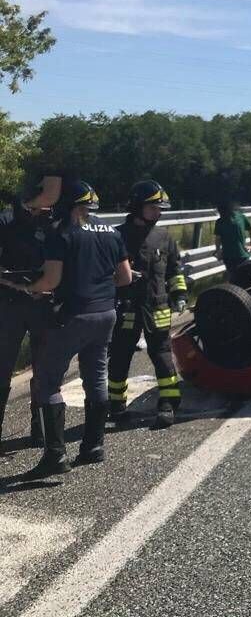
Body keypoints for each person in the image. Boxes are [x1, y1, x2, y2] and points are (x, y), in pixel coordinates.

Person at [0, 181, 131, 479]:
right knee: (97, 377)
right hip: (106, 313)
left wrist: (23, 286)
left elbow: (49, 282)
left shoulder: (62, 233)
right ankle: (93, 446)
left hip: (73, 316)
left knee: (47, 383)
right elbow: (124, 278)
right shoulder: (111, 231)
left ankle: (55, 456)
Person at [108, 181, 189, 430]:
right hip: (127, 307)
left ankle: (168, 404)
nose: (159, 212)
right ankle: (116, 406)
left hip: (158, 307)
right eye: (154, 207)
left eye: (160, 208)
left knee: (162, 355)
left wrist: (179, 294)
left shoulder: (164, 237)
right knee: (120, 356)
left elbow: (175, 270)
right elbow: (104, 270)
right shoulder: (116, 236)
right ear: (137, 206)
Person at [0, 196, 53, 452]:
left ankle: (40, 428)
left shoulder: (52, 222)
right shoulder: (5, 221)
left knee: (44, 370)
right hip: (9, 304)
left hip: (43, 305)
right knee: (2, 368)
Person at [214, 200, 251, 279]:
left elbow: (217, 239)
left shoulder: (221, 221)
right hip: (236, 255)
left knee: (236, 278)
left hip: (235, 255)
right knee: (241, 278)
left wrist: (218, 251)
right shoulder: (240, 217)